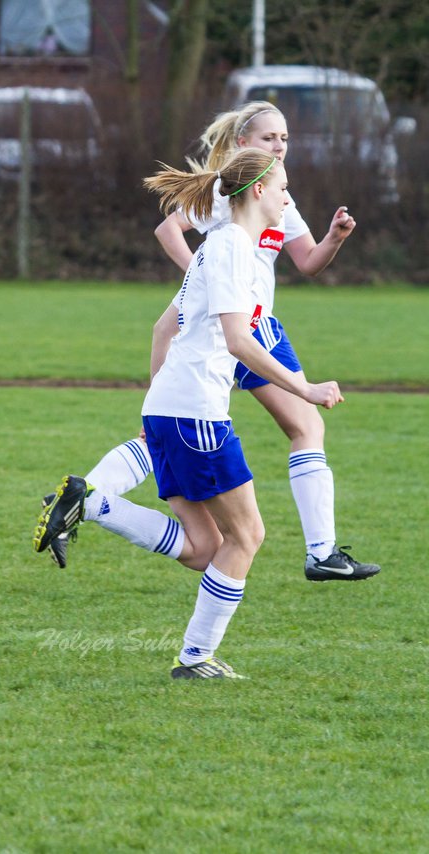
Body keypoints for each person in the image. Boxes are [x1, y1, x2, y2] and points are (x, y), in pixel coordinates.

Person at [35, 149, 345, 679]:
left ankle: (91, 504)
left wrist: (153, 408)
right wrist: (304, 387)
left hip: (172, 411)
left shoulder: (222, 246)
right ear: (255, 192)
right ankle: (195, 658)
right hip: (197, 414)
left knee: (205, 549)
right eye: (282, 188)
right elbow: (238, 341)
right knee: (247, 538)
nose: (288, 197)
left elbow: (168, 328)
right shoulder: (229, 250)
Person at [42, 101, 376, 582]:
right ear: (243, 144)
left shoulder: (280, 198)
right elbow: (168, 231)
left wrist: (335, 238)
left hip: (259, 327)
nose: (279, 145)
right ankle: (320, 553)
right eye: (268, 138)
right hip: (240, 330)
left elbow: (307, 262)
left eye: (284, 138)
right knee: (296, 431)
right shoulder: (233, 195)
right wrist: (207, 285)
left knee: (196, 435)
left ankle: (80, 498)